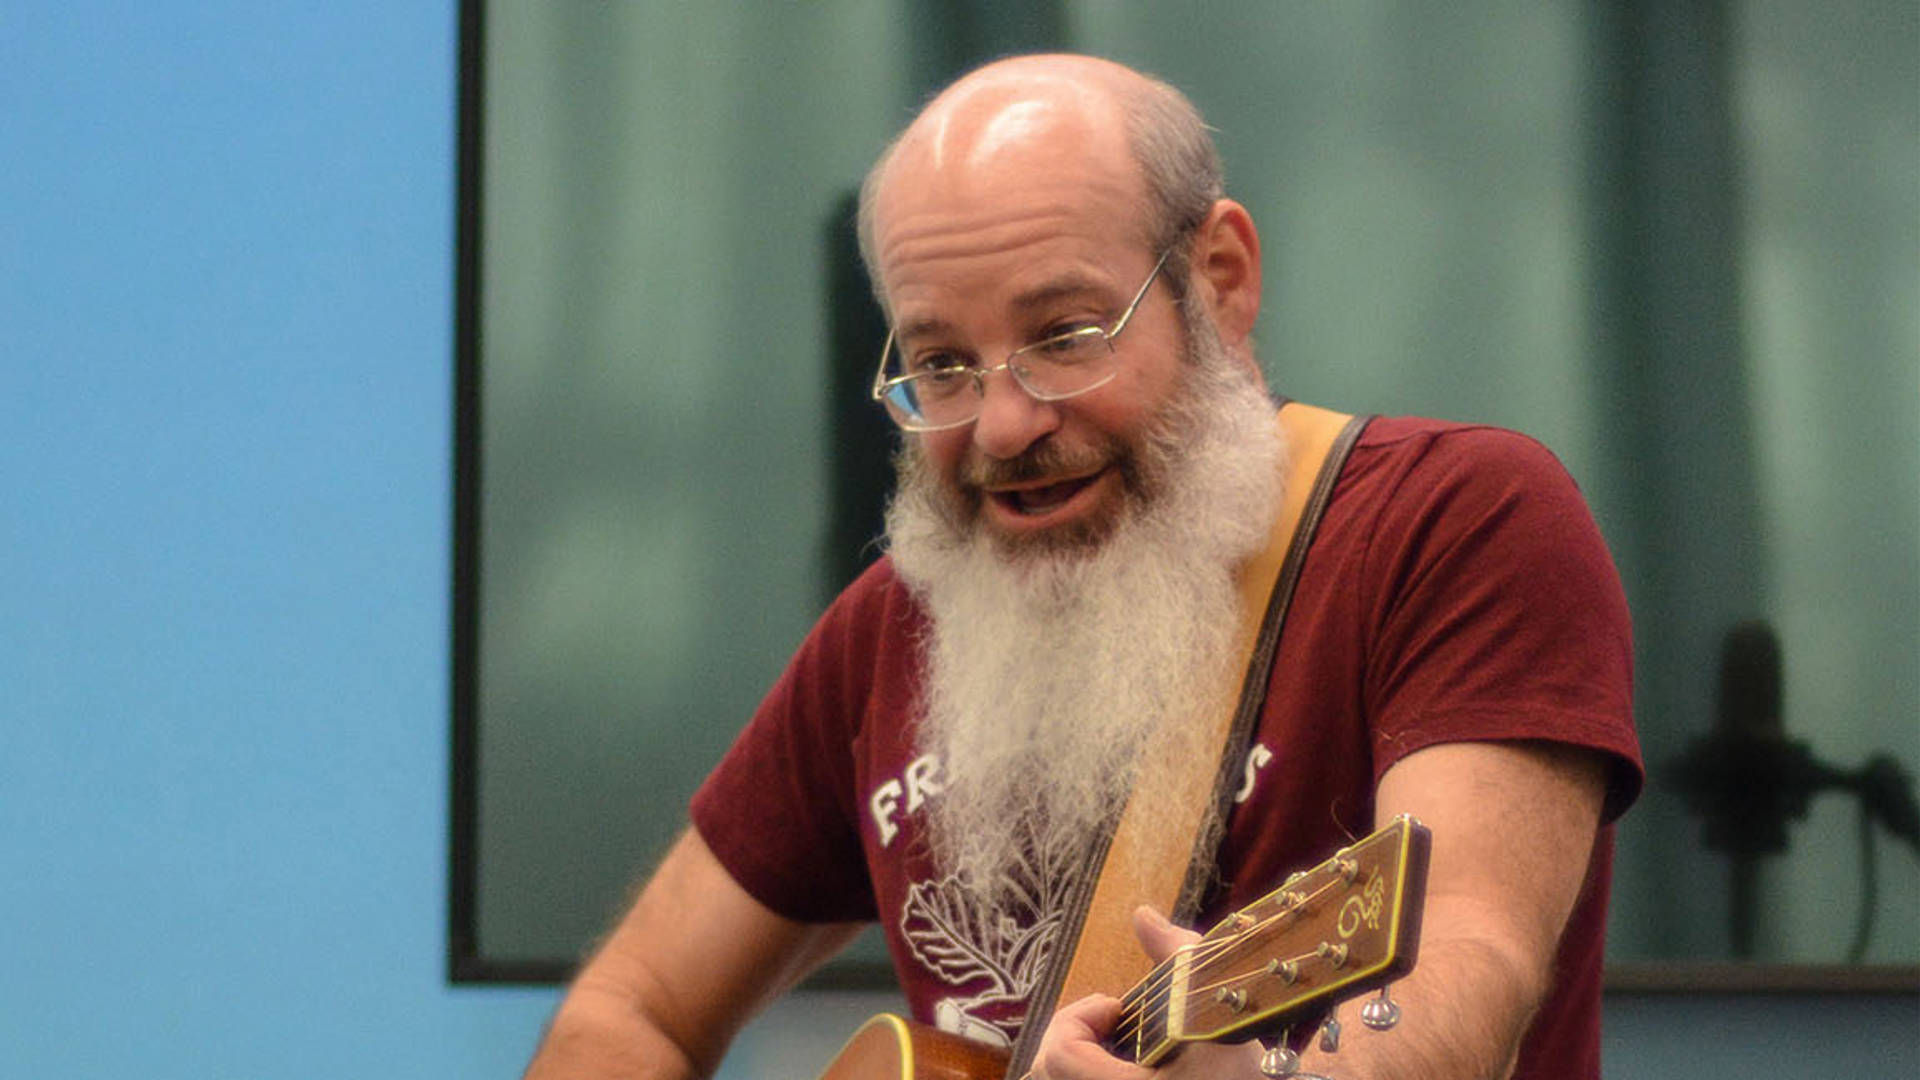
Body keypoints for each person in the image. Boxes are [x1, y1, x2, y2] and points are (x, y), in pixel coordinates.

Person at [524, 53, 1641, 1080]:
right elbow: (629, 1010)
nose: (1002, 426)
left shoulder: (1452, 521)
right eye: (942, 364)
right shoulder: (893, 629)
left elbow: (1465, 962)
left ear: (1219, 278)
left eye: (1063, 336)